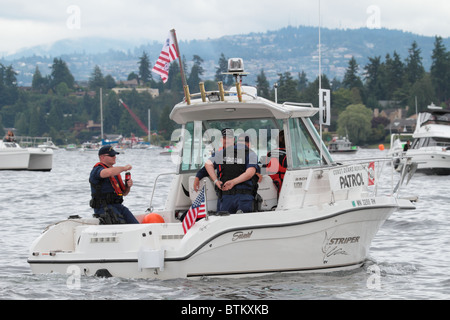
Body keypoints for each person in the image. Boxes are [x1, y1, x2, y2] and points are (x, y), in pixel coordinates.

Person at [205, 131, 259, 214]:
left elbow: (208, 164)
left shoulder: (222, 153)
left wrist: (216, 181)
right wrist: (233, 182)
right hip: (244, 197)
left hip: (226, 196)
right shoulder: (251, 154)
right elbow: (250, 173)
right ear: (249, 144)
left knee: (224, 223)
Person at [89, 145, 139, 224]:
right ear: (102, 157)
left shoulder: (115, 172)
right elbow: (108, 172)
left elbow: (124, 193)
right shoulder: (97, 170)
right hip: (104, 208)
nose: (114, 157)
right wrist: (124, 168)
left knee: (136, 225)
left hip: (118, 206)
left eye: (115, 155)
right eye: (111, 155)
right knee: (120, 224)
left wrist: (128, 186)